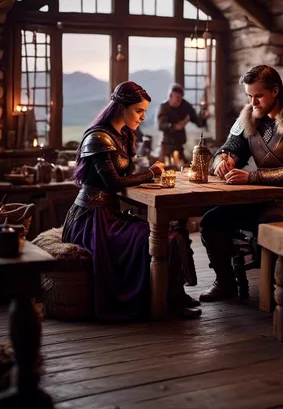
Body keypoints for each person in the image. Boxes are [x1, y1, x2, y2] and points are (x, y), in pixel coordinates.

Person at [62, 81, 201, 321]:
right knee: (167, 238)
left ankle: (172, 295)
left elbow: (124, 178)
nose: (143, 116)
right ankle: (168, 299)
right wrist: (151, 174)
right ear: (121, 107)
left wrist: (148, 177)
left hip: (109, 213)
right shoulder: (98, 137)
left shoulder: (123, 135)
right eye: (138, 110)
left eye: (144, 111)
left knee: (171, 235)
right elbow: (114, 183)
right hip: (92, 219)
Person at [198, 65, 283, 302]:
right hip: (262, 198)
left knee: (266, 225)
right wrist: (223, 161)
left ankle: (275, 294)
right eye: (249, 96)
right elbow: (227, 149)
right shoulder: (251, 117)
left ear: (276, 91)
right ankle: (226, 283)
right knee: (211, 222)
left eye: (258, 96)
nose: (253, 103)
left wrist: (251, 178)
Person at [157, 83, 208, 166]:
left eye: (180, 98)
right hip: (166, 146)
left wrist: (204, 117)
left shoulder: (186, 106)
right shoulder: (163, 107)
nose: (179, 101)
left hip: (179, 145)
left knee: (182, 169)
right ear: (170, 96)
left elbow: (198, 122)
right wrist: (174, 127)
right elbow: (161, 125)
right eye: (177, 98)